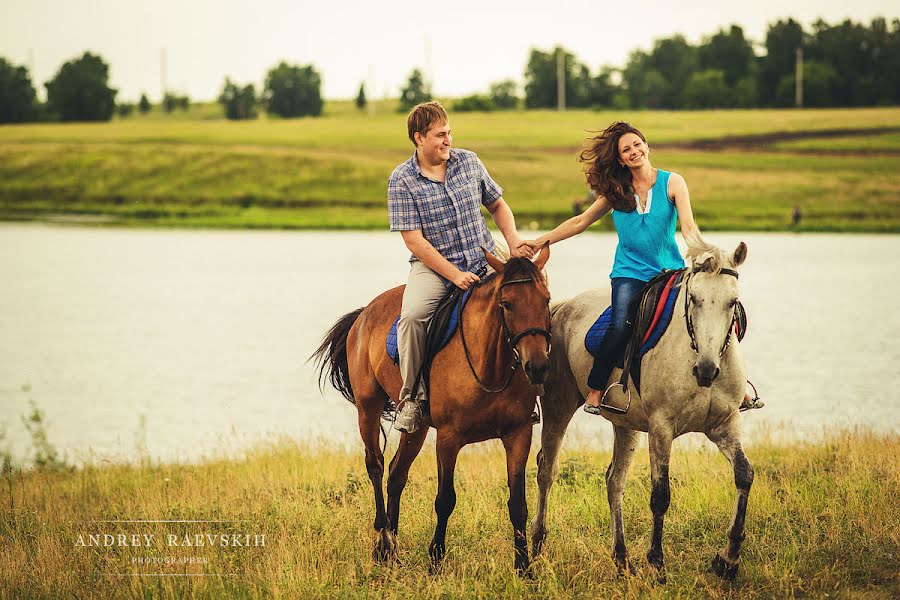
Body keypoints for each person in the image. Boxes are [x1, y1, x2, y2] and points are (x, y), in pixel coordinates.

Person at [520, 121, 761, 413]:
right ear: (620, 159)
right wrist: (540, 241)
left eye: (637, 145)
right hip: (629, 275)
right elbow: (580, 222)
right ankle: (596, 389)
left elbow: (688, 230)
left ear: (647, 147)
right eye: (626, 150)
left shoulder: (673, 183)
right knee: (620, 325)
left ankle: (739, 386)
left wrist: (711, 254)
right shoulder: (616, 191)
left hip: (670, 272)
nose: (634, 151)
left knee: (711, 312)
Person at [389, 101, 533, 433]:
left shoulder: (468, 162)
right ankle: (411, 399)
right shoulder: (402, 180)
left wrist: (512, 243)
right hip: (435, 267)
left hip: (484, 254)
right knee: (412, 318)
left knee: (528, 301)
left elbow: (497, 204)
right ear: (419, 138)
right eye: (440, 135)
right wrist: (454, 275)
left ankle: (530, 393)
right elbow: (415, 242)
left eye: (449, 133)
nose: (448, 140)